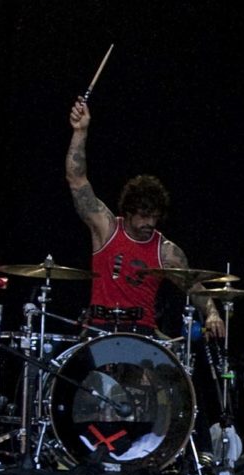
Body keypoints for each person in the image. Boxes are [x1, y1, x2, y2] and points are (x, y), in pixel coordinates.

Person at [64, 98, 224, 341]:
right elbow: (76, 179)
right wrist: (80, 131)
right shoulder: (106, 228)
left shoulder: (166, 251)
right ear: (128, 211)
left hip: (144, 335)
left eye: (155, 217)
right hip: (99, 331)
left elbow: (193, 286)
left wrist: (212, 313)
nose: (150, 223)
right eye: (144, 216)